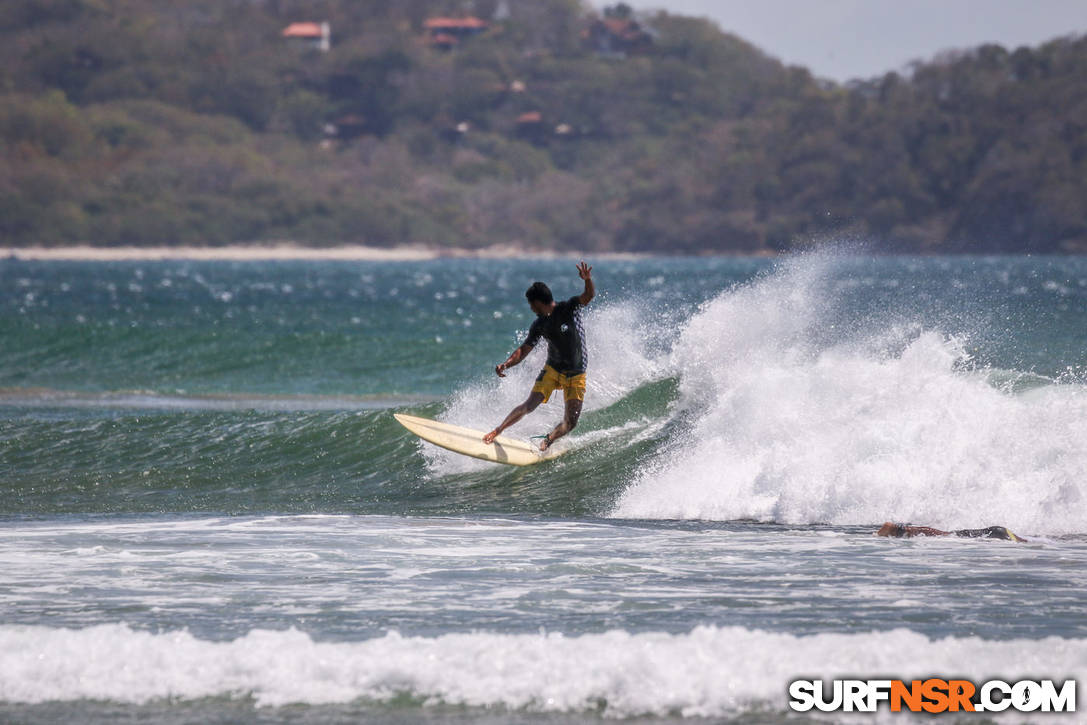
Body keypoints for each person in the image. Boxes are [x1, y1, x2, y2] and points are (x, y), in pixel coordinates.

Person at [483, 261, 595, 451]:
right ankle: (498, 430)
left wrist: (587, 280)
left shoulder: (569, 308)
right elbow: (523, 350)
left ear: (537, 303)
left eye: (531, 304)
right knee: (529, 405)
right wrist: (506, 364)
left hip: (576, 373)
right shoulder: (539, 324)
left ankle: (549, 439)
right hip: (552, 370)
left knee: (570, 422)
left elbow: (588, 296)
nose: (531, 309)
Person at [876, 522, 1027, 542]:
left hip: (998, 532)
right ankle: (899, 530)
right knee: (945, 535)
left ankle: (899, 530)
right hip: (999, 532)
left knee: (946, 534)